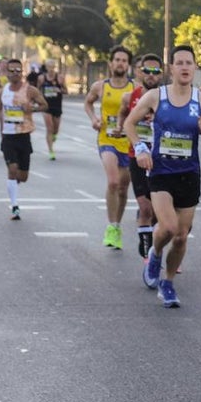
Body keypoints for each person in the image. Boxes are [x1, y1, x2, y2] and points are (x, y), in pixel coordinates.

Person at [124, 45, 201, 308]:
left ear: (195, 67)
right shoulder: (156, 96)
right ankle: (155, 254)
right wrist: (141, 148)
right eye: (180, 63)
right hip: (161, 173)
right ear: (171, 68)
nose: (185, 67)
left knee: (180, 236)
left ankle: (167, 282)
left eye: (189, 63)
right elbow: (129, 123)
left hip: (189, 174)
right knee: (169, 226)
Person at [83, 45, 135, 249]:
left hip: (128, 142)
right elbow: (88, 103)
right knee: (113, 182)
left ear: (128, 65)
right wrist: (94, 118)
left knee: (123, 188)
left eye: (124, 60)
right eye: (117, 60)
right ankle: (111, 226)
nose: (120, 63)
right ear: (111, 63)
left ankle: (117, 225)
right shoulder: (100, 86)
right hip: (107, 140)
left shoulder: (135, 88)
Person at [118, 54, 165, 258]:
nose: (151, 75)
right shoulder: (130, 97)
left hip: (161, 158)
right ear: (139, 72)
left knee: (157, 211)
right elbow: (123, 116)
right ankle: (147, 253)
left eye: (156, 72)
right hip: (136, 156)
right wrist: (122, 127)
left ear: (162, 74)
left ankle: (156, 245)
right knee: (145, 207)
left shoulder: (168, 98)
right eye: (147, 70)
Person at [0, 58, 49, 220]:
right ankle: (15, 206)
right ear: (7, 73)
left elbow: (45, 105)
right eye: (12, 70)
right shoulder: (3, 91)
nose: (15, 73)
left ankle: (13, 185)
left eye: (18, 70)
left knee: (23, 176)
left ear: (22, 72)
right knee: (12, 170)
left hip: (24, 136)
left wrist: (32, 108)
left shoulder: (30, 90)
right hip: (8, 136)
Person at [37, 60, 66, 160]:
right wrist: (38, 100)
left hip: (57, 105)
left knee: (55, 129)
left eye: (53, 67)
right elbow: (37, 91)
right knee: (49, 128)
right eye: (49, 67)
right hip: (46, 106)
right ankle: (51, 151)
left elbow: (66, 91)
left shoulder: (60, 78)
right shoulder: (41, 78)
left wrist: (60, 90)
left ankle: (54, 135)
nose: (51, 69)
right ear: (46, 67)